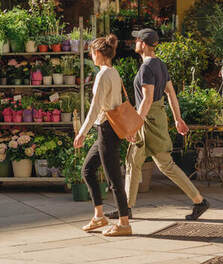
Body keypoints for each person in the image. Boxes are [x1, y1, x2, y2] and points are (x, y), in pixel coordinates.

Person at [107, 28, 209, 220]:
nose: (134, 42)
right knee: (134, 162)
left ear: (143, 44)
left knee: (164, 165)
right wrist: (178, 119)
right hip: (156, 118)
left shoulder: (146, 68)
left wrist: (134, 125)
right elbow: (170, 93)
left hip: (147, 121)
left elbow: (147, 99)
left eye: (137, 39)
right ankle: (126, 208)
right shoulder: (160, 64)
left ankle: (199, 200)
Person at [75, 34, 132, 237]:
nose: (91, 56)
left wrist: (82, 132)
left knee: (114, 179)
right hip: (108, 129)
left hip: (107, 130)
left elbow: (95, 107)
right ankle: (99, 215)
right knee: (88, 169)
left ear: (99, 53)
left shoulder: (103, 75)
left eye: (92, 53)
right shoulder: (114, 72)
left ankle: (124, 223)